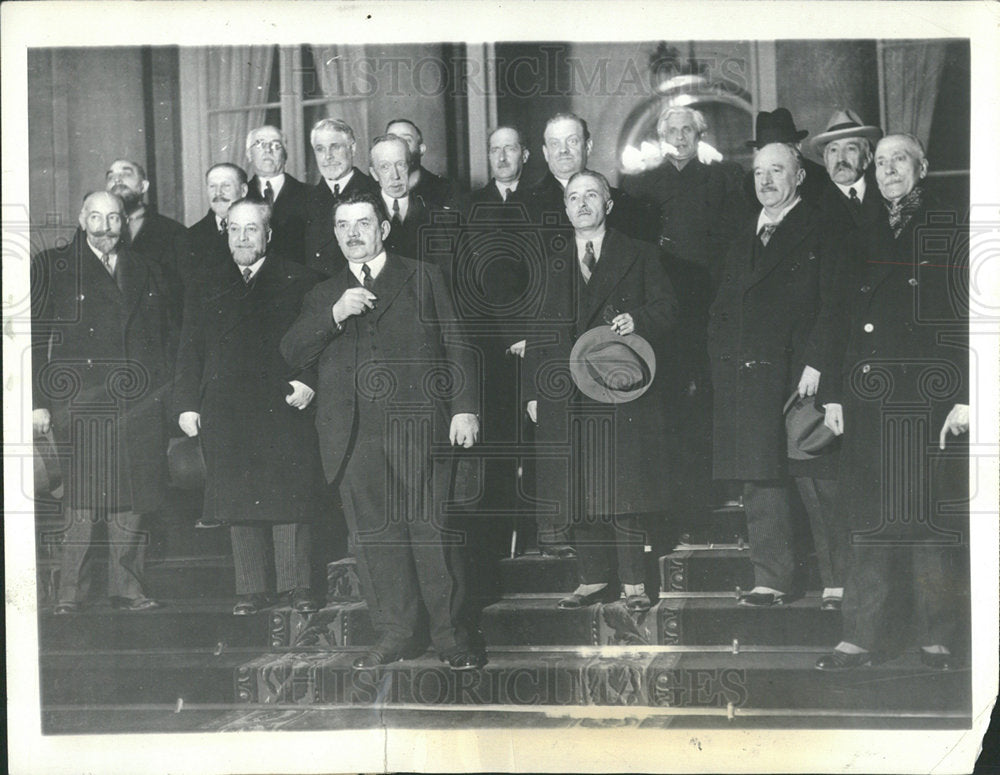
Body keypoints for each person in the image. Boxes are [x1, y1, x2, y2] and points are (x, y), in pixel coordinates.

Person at [279, 189, 483, 671]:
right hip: (353, 438)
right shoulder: (323, 294)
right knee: (375, 540)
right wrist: (335, 314)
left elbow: (457, 343)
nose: (353, 233)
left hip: (419, 428)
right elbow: (292, 351)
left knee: (432, 536)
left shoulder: (423, 276)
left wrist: (465, 409)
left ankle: (451, 638)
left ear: (384, 228)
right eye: (343, 225)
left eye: (363, 223)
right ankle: (396, 633)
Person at [815, 134, 968, 671]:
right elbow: (834, 313)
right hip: (867, 393)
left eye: (898, 159)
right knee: (869, 515)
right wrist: (832, 395)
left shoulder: (950, 224)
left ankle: (936, 636)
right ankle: (859, 636)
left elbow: (968, 314)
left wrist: (964, 396)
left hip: (930, 392)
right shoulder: (856, 229)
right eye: (880, 162)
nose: (887, 170)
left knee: (927, 516)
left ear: (922, 166)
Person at [522, 170, 678, 610]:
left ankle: (634, 583)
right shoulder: (549, 261)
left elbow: (669, 309)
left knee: (624, 486)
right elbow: (536, 331)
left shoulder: (640, 254)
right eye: (574, 197)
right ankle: (591, 579)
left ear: (608, 205)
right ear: (565, 207)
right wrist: (532, 392)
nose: (583, 204)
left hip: (619, 387)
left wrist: (639, 320)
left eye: (592, 195)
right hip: (565, 389)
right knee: (578, 483)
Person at [708, 142, 844, 608]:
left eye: (777, 170)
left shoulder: (824, 227)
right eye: (758, 172)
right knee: (759, 478)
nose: (765, 181)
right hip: (747, 375)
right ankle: (771, 578)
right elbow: (724, 307)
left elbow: (835, 303)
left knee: (815, 476)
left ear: (799, 176)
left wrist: (818, 362)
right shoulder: (742, 234)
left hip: (800, 373)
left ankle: (838, 579)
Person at [174, 199, 326, 616]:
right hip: (225, 406)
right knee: (237, 499)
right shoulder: (205, 282)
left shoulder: (300, 279)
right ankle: (252, 588)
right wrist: (186, 404)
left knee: (290, 495)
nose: (242, 238)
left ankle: (298, 585)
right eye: (235, 229)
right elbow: (189, 348)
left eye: (252, 229)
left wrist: (308, 381)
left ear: (268, 235)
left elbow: (320, 341)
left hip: (282, 402)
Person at [32, 191, 177, 613]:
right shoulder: (54, 266)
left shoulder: (146, 268)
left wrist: (162, 398)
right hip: (80, 400)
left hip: (138, 401)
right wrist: (38, 402)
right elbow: (35, 340)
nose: (105, 227)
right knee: (81, 499)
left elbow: (164, 338)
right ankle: (70, 594)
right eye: (95, 217)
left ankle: (128, 589)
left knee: (132, 496)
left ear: (125, 222)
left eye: (113, 218)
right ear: (81, 219)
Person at [622, 106, 748, 533]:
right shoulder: (640, 185)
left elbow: (734, 241)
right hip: (662, 305)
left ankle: (711, 492)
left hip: (707, 303)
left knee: (707, 393)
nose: (679, 137)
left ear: (700, 135)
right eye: (672, 130)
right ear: (662, 136)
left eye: (687, 130)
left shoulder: (723, 179)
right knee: (667, 395)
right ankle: (673, 499)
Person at [528, 112, 657, 242]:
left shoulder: (623, 203)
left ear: (588, 147)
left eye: (572, 141)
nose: (563, 150)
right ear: (545, 152)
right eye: (555, 144)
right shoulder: (525, 203)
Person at [106, 158, 188, 315]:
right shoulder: (92, 233)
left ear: (143, 186)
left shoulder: (174, 233)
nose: (117, 180)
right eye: (111, 177)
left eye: (126, 174)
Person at [304, 118, 380, 276]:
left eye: (335, 147)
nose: (328, 156)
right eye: (320, 149)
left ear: (352, 149)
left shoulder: (376, 192)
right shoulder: (303, 199)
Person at [368, 133, 439, 267]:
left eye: (401, 165)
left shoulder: (435, 214)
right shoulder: (363, 212)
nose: (395, 176)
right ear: (374, 174)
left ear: (410, 167)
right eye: (385, 167)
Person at [810, 109, 884, 235]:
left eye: (850, 149)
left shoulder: (885, 193)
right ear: (826, 160)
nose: (840, 159)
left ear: (867, 158)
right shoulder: (812, 203)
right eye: (834, 150)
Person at [742, 108, 833, 209]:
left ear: (798, 147)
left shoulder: (821, 178)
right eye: (767, 150)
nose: (773, 157)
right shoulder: (748, 185)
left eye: (781, 149)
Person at [244, 125, 310, 263]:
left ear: (285, 155)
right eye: (260, 144)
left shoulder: (310, 195)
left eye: (276, 145)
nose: (268, 150)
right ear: (249, 154)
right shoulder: (239, 196)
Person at [186, 162, 249, 277]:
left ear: (243, 191)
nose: (218, 192)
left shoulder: (262, 232)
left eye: (226, 186)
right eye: (212, 186)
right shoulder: (189, 238)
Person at [385, 118, 462, 209]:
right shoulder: (373, 189)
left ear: (421, 149)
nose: (398, 146)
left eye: (406, 140)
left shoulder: (446, 190)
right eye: (391, 140)